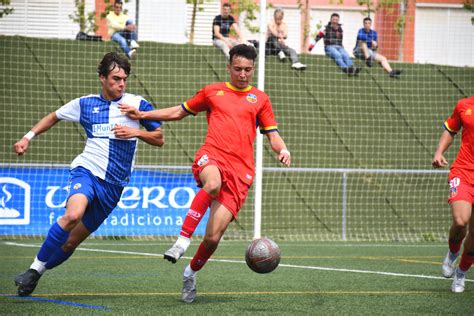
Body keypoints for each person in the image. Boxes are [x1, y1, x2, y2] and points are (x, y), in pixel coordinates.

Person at [120, 44, 291, 303]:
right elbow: (178, 111)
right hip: (212, 155)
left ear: (252, 69)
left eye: (247, 70)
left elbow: (272, 134)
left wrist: (282, 149)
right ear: (229, 67)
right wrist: (143, 114)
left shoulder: (261, 100)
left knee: (212, 237)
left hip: (241, 173)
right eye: (237, 69)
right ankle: (181, 242)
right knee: (211, 183)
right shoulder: (213, 92)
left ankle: (190, 273)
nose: (242, 74)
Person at [13, 52, 164, 297]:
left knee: (71, 242)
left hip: (114, 186)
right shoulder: (85, 103)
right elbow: (54, 117)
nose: (121, 84)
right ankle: (33, 268)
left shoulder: (137, 104)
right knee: (73, 215)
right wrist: (27, 137)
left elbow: (159, 139)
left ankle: (36, 274)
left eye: (124, 79)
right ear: (102, 78)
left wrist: (136, 132)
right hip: (87, 171)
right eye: (116, 78)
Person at [432, 96, 474, 293]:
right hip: (463, 172)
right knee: (460, 221)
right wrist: (439, 152)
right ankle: (453, 252)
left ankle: (461, 273)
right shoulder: (464, 105)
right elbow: (451, 130)